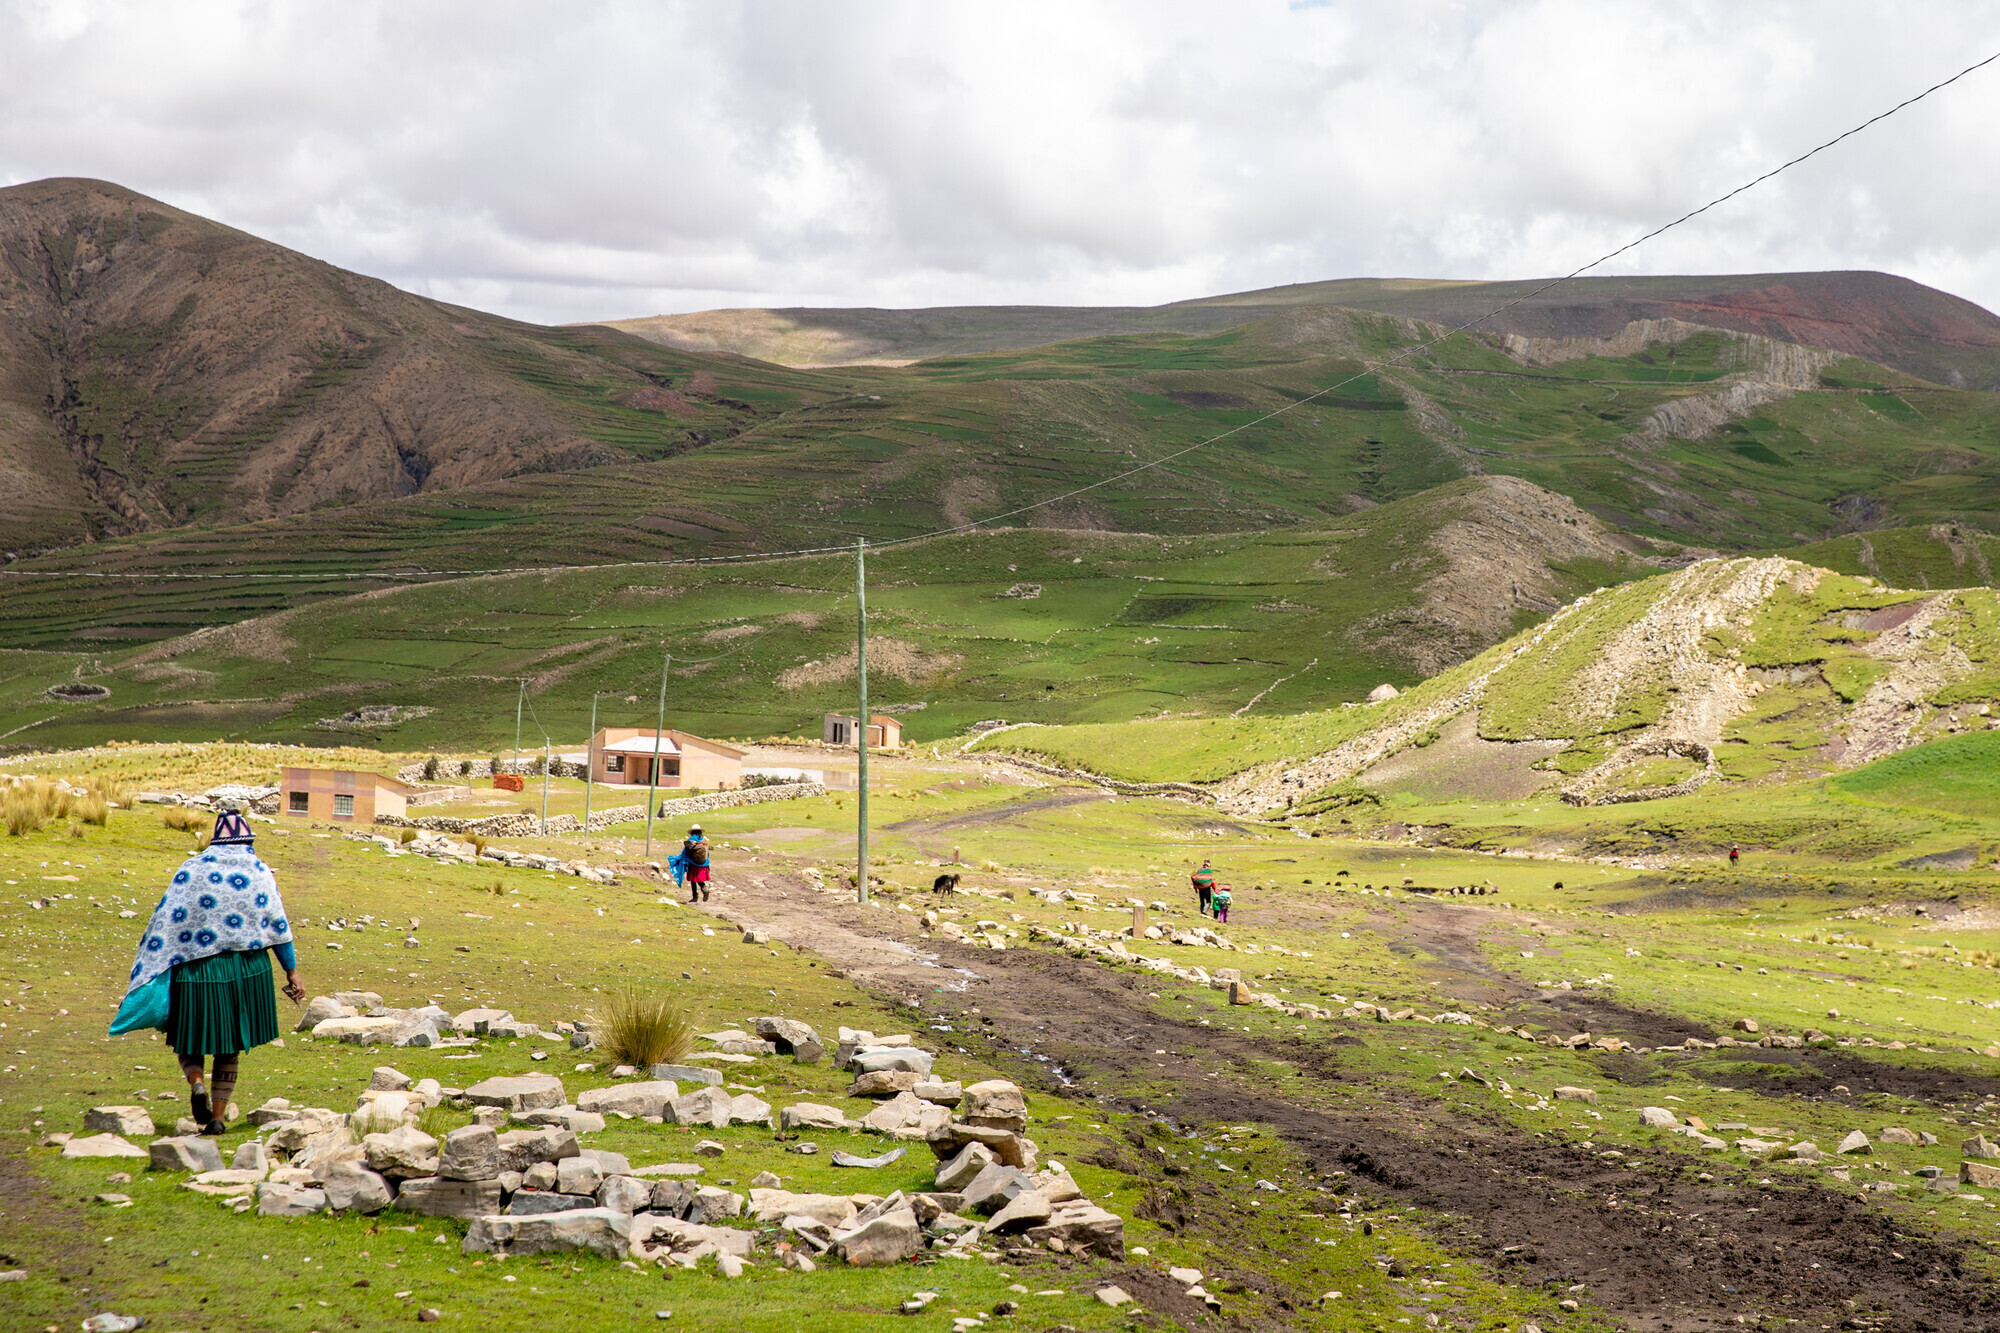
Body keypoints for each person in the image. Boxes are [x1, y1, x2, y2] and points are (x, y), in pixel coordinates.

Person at [110, 808, 303, 1135]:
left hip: (197, 969)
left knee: (190, 1035)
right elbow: (278, 926)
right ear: (246, 840)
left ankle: (196, 1080)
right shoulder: (258, 871)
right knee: (229, 1045)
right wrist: (291, 971)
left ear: (215, 841)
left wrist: (157, 966)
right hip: (246, 971)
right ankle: (217, 1118)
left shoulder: (191, 870)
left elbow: (166, 921)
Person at [680, 823, 712, 902]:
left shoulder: (691, 840)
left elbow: (686, 852)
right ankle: (703, 889)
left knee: (693, 880)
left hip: (693, 863)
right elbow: (707, 853)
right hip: (703, 863)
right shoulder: (704, 840)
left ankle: (696, 896)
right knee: (698, 878)